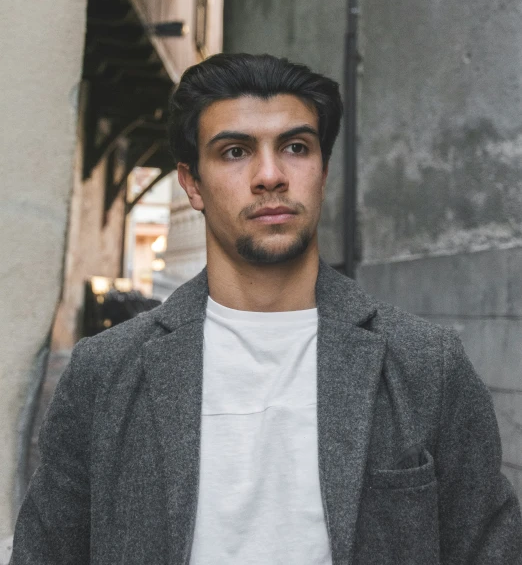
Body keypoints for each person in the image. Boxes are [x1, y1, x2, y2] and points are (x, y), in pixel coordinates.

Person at [10, 53, 522, 564]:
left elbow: (490, 549)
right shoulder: (104, 373)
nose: (270, 175)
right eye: (235, 152)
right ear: (192, 184)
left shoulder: (426, 366)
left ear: (322, 171)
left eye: (296, 147)